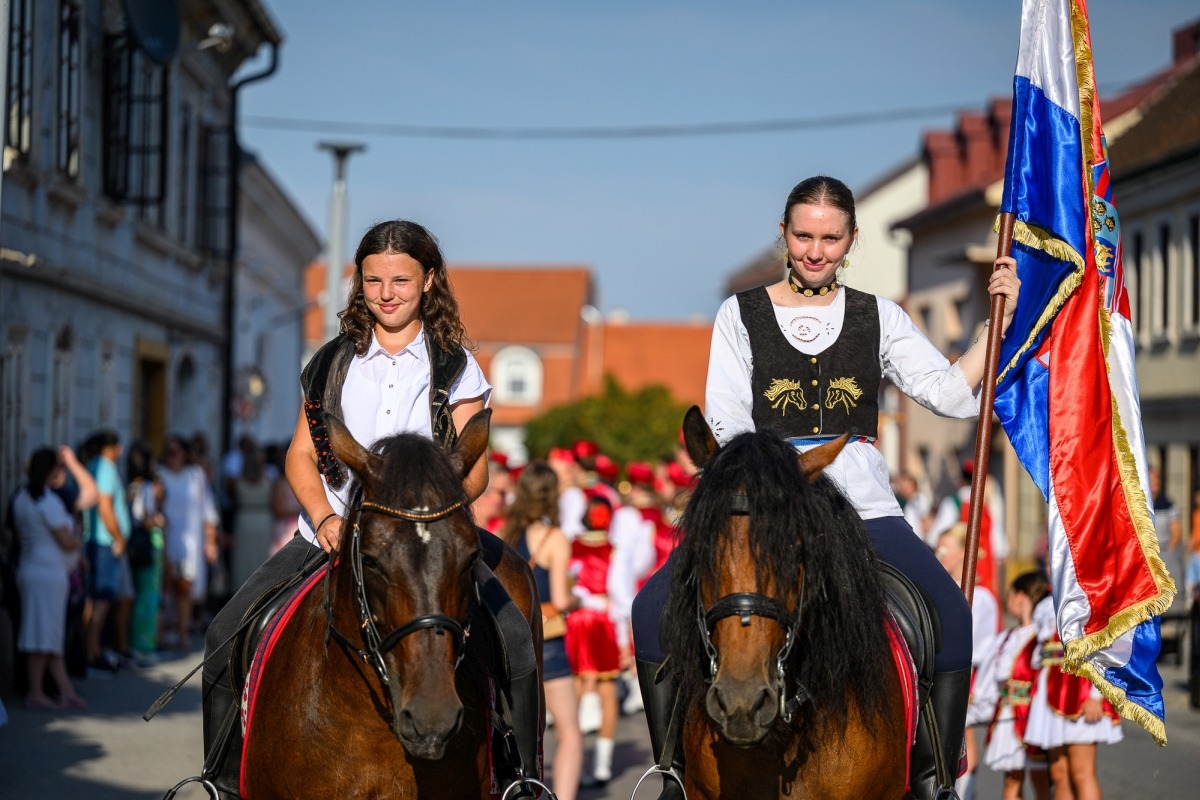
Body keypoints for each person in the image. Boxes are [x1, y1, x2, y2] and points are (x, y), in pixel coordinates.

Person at [631, 175, 1021, 800]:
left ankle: (937, 775)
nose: (815, 251)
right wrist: (778, 475)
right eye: (804, 235)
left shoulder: (880, 315)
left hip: (863, 506)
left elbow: (948, 394)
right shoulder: (741, 313)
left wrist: (993, 329)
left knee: (950, 612)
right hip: (764, 505)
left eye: (830, 238)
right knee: (650, 610)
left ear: (851, 240)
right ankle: (673, 768)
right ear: (783, 234)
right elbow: (727, 418)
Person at [200, 220, 539, 800]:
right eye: (373, 279)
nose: (386, 292)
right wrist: (328, 518)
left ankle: (522, 781)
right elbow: (301, 457)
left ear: (429, 281)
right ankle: (223, 783)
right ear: (358, 283)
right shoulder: (328, 362)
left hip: (428, 539)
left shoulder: (457, 367)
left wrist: (427, 516)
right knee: (224, 632)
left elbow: (474, 466)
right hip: (330, 533)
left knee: (515, 637)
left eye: (401, 279)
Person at [500, 461, 583, 800]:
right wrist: (577, 597)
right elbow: (561, 599)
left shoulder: (506, 535)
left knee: (522, 731)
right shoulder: (555, 538)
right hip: (548, 639)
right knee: (570, 733)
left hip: (513, 639)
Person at [12, 448, 89, 709]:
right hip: (48, 575)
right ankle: (36, 692)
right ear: (52, 471)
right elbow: (66, 540)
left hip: (31, 569)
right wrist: (78, 540)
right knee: (42, 636)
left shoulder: (21, 497)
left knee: (48, 635)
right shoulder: (47, 500)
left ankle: (64, 690)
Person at [967, 571, 1051, 800]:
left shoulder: (1040, 636)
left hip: (1031, 717)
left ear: (1021, 597)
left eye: (1011, 595)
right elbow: (990, 679)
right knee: (1012, 782)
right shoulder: (1007, 637)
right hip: (1009, 716)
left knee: (1040, 780)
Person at [937, 523, 1000, 800]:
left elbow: (979, 646)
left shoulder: (981, 597)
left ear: (964, 552)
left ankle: (965, 791)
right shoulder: (944, 592)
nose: (939, 555)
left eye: (945, 549)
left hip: (968, 675)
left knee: (964, 736)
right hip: (946, 671)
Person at [82, 431, 136, 677]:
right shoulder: (104, 467)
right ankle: (91, 654)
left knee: (96, 601)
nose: (121, 451)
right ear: (110, 448)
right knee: (101, 602)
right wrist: (119, 537)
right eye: (118, 446)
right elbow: (105, 505)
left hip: (97, 542)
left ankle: (93, 651)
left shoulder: (94, 465)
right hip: (105, 543)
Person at [158, 435, 219, 651]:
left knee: (185, 589)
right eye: (168, 452)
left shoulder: (196, 476)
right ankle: (162, 635)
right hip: (165, 540)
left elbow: (207, 510)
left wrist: (210, 542)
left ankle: (183, 633)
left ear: (184, 454)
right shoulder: (159, 475)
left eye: (175, 452)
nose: (171, 457)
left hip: (191, 541)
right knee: (164, 590)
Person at [126, 441, 165, 665]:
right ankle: (144, 644)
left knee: (138, 593)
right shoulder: (147, 488)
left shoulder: (131, 486)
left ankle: (137, 642)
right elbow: (144, 515)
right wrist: (158, 520)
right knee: (148, 597)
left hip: (135, 545)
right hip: (150, 543)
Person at [229, 439, 272, 590]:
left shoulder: (237, 482)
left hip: (245, 519)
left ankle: (241, 590)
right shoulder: (268, 481)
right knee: (260, 557)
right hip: (262, 518)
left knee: (244, 559)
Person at [1149, 467, 1183, 613]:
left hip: (1163, 550)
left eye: (1157, 479)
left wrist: (1167, 550)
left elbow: (1176, 533)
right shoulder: (1140, 504)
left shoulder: (1168, 506)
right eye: (1152, 479)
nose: (1155, 482)